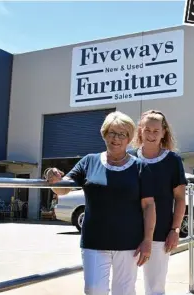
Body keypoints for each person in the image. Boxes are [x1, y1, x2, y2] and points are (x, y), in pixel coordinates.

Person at [44, 111, 156, 295]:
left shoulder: (140, 167)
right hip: (94, 241)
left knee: (125, 291)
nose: (116, 138)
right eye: (112, 132)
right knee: (94, 289)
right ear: (104, 134)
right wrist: (53, 177)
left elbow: (149, 206)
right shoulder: (89, 161)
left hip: (129, 243)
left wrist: (147, 240)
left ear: (129, 138)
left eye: (122, 134)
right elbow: (62, 188)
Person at [129, 110, 187, 295]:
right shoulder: (129, 158)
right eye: (147, 130)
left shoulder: (172, 160)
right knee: (124, 286)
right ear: (140, 131)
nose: (151, 135)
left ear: (164, 132)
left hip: (161, 233)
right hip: (127, 232)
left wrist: (175, 230)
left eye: (156, 131)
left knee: (155, 288)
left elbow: (179, 199)